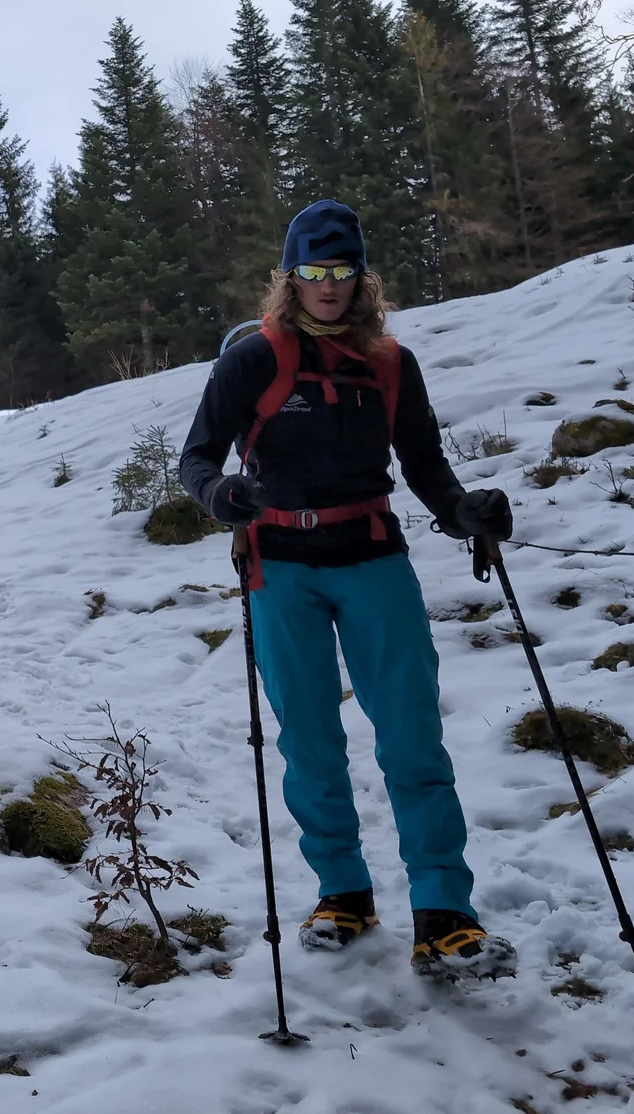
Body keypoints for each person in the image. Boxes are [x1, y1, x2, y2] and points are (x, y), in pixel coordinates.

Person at [178, 199, 516, 981]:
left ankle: (443, 911)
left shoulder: (391, 363)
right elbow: (195, 457)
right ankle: (343, 892)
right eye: (313, 270)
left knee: (411, 736)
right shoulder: (252, 360)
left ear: (363, 277)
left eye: (342, 270)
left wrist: (464, 512)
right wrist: (220, 494)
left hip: (372, 557)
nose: (328, 285)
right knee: (309, 740)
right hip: (280, 566)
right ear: (289, 276)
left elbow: (425, 466)